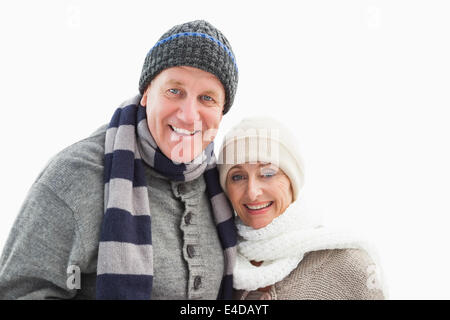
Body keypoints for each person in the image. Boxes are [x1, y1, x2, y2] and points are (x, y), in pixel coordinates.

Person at [0, 20, 238, 300]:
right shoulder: (78, 175)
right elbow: (19, 292)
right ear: (147, 93)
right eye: (175, 91)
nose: (188, 114)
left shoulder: (223, 185)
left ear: (221, 112)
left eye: (207, 98)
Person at [217, 117, 386, 300]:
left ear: (292, 179)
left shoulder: (348, 264)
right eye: (237, 177)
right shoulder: (215, 262)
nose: (252, 192)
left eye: (267, 173)